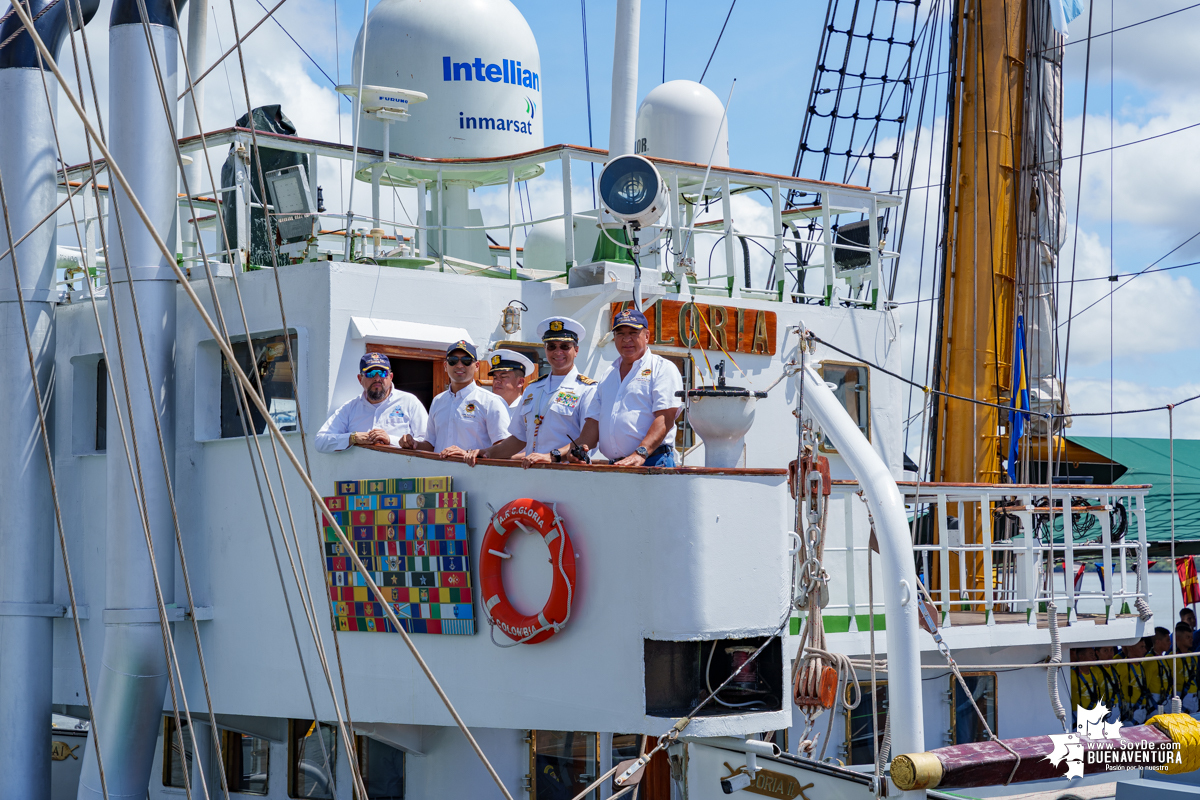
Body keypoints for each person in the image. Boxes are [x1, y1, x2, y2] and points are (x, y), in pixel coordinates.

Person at [466, 317, 599, 467]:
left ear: (576, 350)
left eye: (564, 346)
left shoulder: (587, 389)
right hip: (532, 473)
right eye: (551, 346)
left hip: (567, 473)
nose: (558, 351)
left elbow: (589, 439)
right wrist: (488, 452)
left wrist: (552, 456)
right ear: (545, 349)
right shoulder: (532, 389)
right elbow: (519, 438)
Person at [576, 307, 683, 467]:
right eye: (620, 334)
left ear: (646, 336)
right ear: (614, 337)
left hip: (652, 462)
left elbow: (666, 417)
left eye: (633, 333)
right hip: (617, 466)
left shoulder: (663, 368)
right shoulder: (608, 375)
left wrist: (641, 452)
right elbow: (593, 422)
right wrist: (577, 450)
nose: (626, 339)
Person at [401, 340, 509, 457]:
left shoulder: (491, 401)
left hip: (475, 472)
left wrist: (467, 454)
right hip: (440, 473)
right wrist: (413, 444)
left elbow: (504, 446)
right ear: (445, 366)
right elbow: (431, 445)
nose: (459, 365)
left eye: (466, 361)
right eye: (453, 361)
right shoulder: (438, 400)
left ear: (477, 366)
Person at [315, 352, 427, 453]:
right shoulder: (350, 408)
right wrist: (352, 438)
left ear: (391, 377)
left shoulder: (410, 402)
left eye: (383, 373)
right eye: (370, 373)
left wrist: (391, 440)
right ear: (360, 379)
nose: (377, 378)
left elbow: (428, 443)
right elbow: (320, 442)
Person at [1118, 637, 1155, 723]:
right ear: (1131, 648)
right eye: (1141, 647)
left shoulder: (1140, 666)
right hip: (1130, 713)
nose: (1145, 650)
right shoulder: (1122, 666)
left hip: (1143, 711)